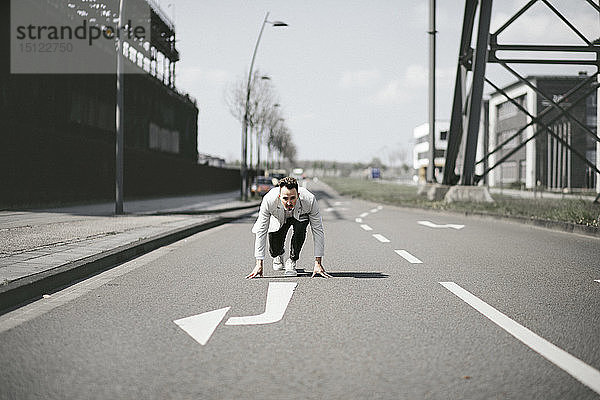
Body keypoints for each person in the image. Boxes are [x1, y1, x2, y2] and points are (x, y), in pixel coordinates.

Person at [246, 177, 331, 279]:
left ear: (298, 195)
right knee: (274, 250)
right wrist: (259, 264)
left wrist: (318, 263)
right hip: (279, 219)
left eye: (292, 198)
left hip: (299, 217)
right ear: (279, 196)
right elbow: (261, 230)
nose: (289, 203)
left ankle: (292, 260)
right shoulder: (269, 200)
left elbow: (318, 230)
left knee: (300, 229)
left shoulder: (309, 200)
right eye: (285, 198)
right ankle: (279, 254)